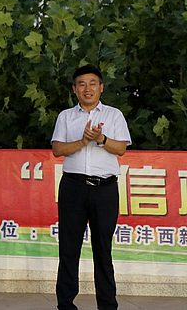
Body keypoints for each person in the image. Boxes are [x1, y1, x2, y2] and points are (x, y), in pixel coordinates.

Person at [52, 65, 131, 310]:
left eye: (93, 83)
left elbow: (121, 149)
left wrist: (101, 139)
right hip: (73, 187)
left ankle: (107, 305)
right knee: (68, 249)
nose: (88, 88)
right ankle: (65, 304)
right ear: (74, 89)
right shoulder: (66, 116)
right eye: (82, 84)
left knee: (103, 250)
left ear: (101, 87)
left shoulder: (114, 115)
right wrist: (83, 140)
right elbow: (57, 150)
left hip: (104, 189)